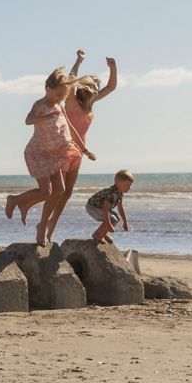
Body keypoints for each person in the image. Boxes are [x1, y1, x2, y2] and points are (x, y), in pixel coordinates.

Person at [5, 66, 94, 246]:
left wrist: (84, 150)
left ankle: (32, 214)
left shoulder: (59, 106)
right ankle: (14, 200)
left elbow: (71, 128)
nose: (61, 99)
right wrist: (45, 117)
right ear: (48, 90)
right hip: (38, 153)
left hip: (54, 154)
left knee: (60, 190)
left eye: (63, 96)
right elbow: (28, 120)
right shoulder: (40, 105)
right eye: (58, 95)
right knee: (46, 191)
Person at [40, 52, 118, 242]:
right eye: (90, 89)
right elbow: (70, 80)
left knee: (67, 192)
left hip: (78, 152)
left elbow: (112, 86)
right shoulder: (71, 101)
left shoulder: (89, 104)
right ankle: (44, 224)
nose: (93, 91)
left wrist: (113, 68)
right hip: (64, 148)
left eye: (93, 89)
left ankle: (52, 223)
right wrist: (79, 61)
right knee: (59, 190)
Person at [87, 170, 134, 244]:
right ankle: (97, 234)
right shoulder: (111, 193)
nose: (129, 188)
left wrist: (125, 221)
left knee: (116, 218)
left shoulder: (119, 193)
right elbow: (105, 209)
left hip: (100, 208)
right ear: (118, 184)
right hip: (92, 207)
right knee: (111, 219)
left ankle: (103, 234)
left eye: (130, 186)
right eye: (127, 186)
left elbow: (120, 208)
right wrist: (108, 225)